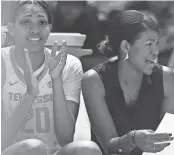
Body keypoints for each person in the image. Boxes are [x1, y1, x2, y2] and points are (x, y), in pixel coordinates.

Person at [1, 1, 101, 155]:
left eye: (42, 22)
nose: (35, 30)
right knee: (34, 147)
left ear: (50, 28)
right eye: (26, 22)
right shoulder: (2, 62)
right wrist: (30, 95)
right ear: (11, 29)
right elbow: (2, 140)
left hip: (51, 152)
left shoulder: (69, 64)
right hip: (11, 151)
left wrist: (56, 79)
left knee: (89, 150)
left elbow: (65, 138)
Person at [81, 10, 174, 155]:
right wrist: (132, 139)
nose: (156, 52)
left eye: (157, 44)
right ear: (125, 47)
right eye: (148, 44)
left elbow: (170, 140)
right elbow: (109, 146)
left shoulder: (167, 78)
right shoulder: (94, 80)